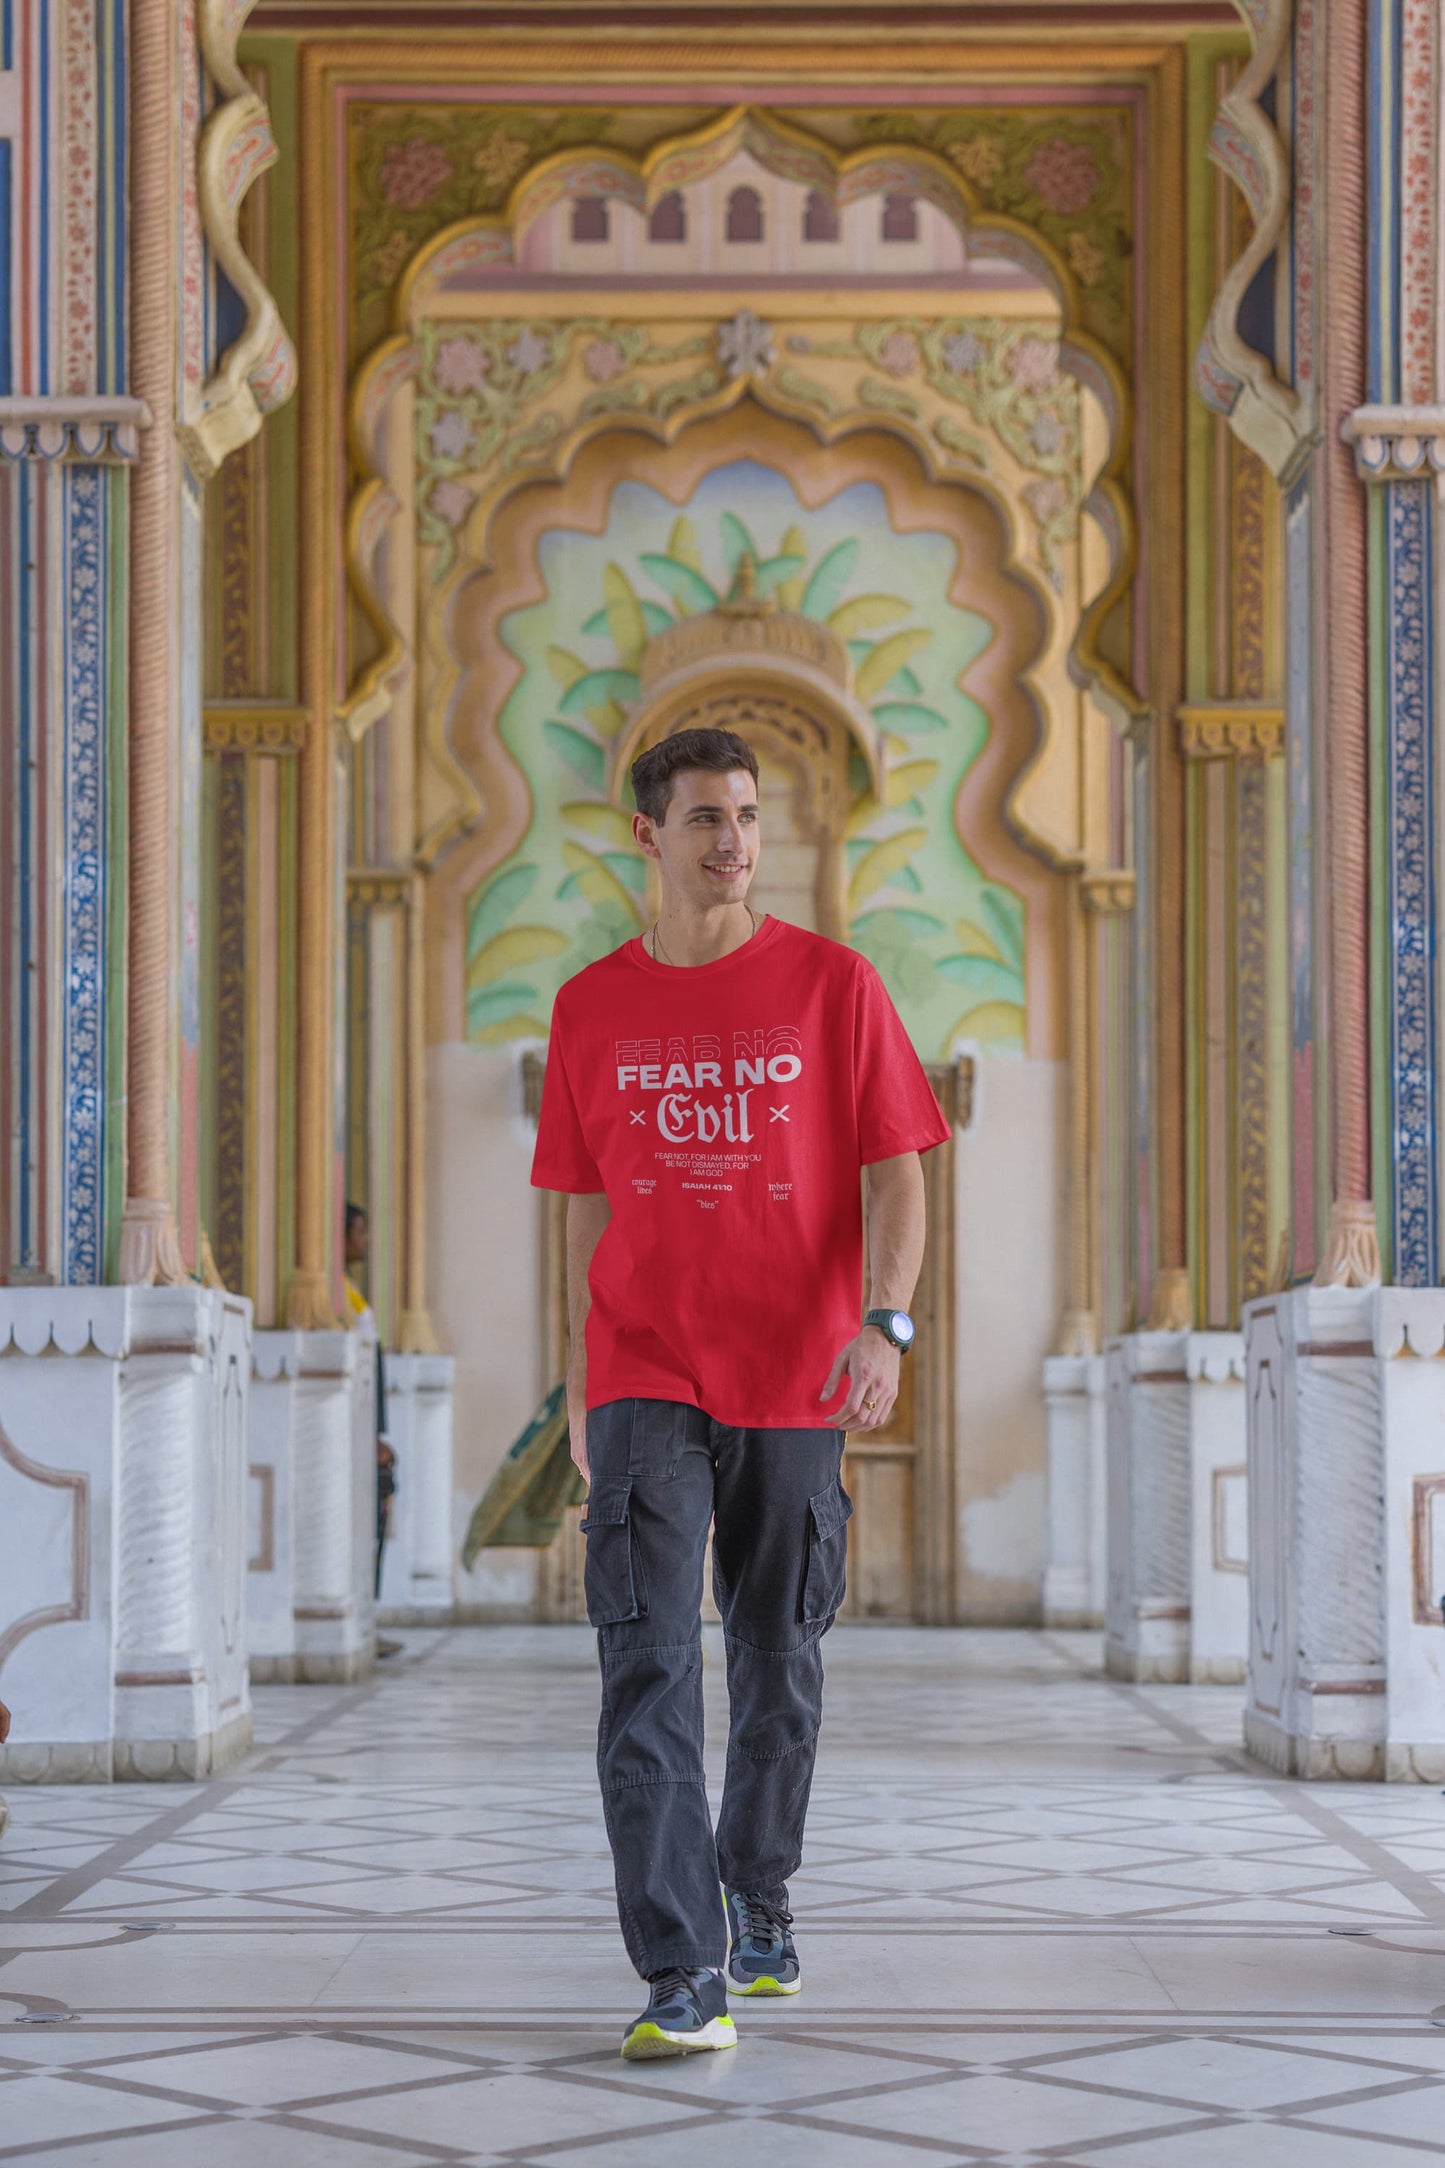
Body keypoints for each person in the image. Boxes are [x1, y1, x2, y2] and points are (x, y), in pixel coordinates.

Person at [530, 724, 950, 2061]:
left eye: (749, 817)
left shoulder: (835, 987)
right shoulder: (591, 1006)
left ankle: (757, 1898)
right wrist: (578, 1391)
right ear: (646, 837)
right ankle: (679, 1970)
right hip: (646, 1374)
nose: (735, 843)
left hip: (797, 1373)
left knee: (777, 1665)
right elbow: (573, 1214)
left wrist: (885, 1324)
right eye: (707, 818)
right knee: (641, 1665)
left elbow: (899, 1168)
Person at [344, 1202, 401, 1652]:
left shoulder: (350, 1291)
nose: (364, 1241)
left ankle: (367, 1611)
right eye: (359, 1232)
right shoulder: (334, 1294)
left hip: (366, 1431)